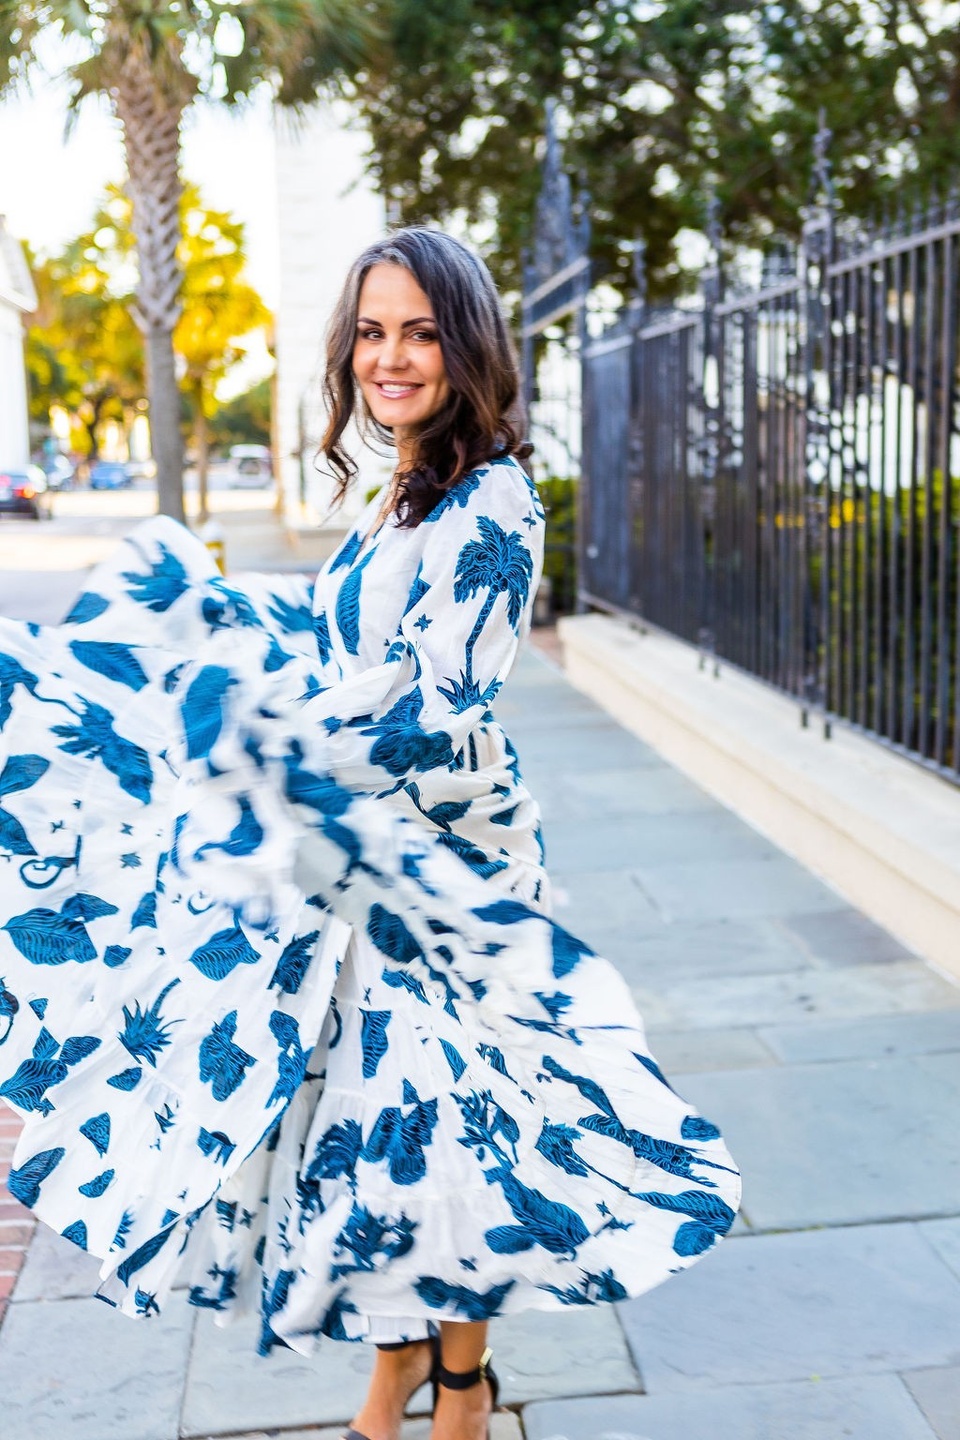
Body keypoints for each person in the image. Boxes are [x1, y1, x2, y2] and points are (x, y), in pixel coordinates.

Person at [0, 228, 740, 1440]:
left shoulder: (493, 497)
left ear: (467, 344)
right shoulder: (403, 480)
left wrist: (239, 749)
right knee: (361, 1136)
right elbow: (341, 645)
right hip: (354, 867)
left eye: (421, 332)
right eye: (372, 331)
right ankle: (398, 1374)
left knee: (446, 1146)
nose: (390, 356)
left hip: (436, 873)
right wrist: (211, 629)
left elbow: (434, 711)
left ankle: (460, 1391)